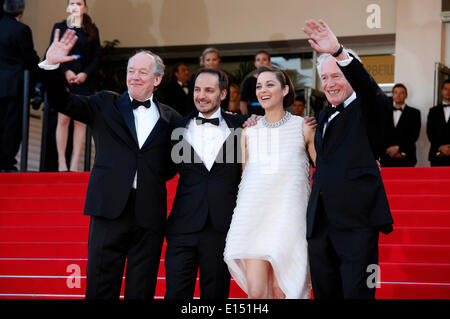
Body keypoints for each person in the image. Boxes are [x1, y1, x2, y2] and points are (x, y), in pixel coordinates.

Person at [40, 29, 181, 299]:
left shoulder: (172, 118)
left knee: (141, 290)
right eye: (131, 70)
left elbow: (173, 164)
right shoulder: (104, 103)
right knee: (101, 286)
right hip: (108, 209)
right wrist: (51, 65)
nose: (134, 76)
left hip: (149, 213)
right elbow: (63, 101)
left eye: (142, 72)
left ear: (157, 79)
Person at [302, 19, 393, 299]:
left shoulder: (368, 108)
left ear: (350, 77)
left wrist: (339, 52)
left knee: (359, 293)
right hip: (321, 223)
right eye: (325, 78)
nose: (329, 84)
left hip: (358, 222)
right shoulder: (323, 115)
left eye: (337, 76)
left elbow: (370, 90)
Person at [224, 66, 316, 299]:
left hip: (288, 218)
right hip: (253, 217)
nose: (263, 90)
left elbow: (324, 170)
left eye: (270, 85)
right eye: (258, 86)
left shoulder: (303, 127)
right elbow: (246, 179)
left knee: (281, 290)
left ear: (285, 90)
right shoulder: (249, 131)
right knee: (256, 294)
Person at [165, 68, 248, 299]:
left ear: (223, 94)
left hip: (221, 228)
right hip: (182, 227)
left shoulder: (242, 126)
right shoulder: (176, 128)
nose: (201, 95)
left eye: (209, 90)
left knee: (215, 296)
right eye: (197, 89)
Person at [49, 0, 100, 171]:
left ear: (85, 7)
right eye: (72, 3)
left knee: (80, 122)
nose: (75, 6)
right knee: (62, 120)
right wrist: (66, 72)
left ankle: (74, 164)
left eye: (79, 3)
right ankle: (62, 163)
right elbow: (52, 54)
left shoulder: (92, 29)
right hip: (64, 79)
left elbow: (96, 57)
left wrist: (84, 74)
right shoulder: (59, 27)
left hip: (84, 81)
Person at [0, 0, 40, 172]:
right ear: (21, 12)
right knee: (11, 125)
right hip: (14, 85)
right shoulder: (22, 30)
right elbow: (29, 58)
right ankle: (6, 162)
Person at [381, 83, 421, 167]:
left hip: (407, 156)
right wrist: (389, 150)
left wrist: (398, 148)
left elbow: (414, 135)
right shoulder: (383, 112)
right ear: (392, 95)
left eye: (401, 93)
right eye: (395, 92)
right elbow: (381, 133)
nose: (398, 95)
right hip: (386, 157)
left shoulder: (415, 113)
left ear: (406, 95)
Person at [187, 47, 230, 113]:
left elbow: (226, 99)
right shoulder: (195, 77)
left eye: (214, 59)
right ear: (203, 61)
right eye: (208, 60)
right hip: (198, 115)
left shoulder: (224, 76)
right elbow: (191, 98)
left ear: (219, 60)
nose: (211, 62)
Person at [240, 50, 272, 116]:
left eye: (264, 59)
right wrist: (245, 118)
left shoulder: (274, 79)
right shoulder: (249, 80)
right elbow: (243, 102)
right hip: (254, 114)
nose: (261, 62)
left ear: (269, 62)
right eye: (258, 60)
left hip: (271, 111)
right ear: (255, 63)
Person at [427, 79, 450, 166]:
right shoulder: (433, 111)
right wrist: (440, 146)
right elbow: (430, 132)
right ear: (441, 91)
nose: (448, 92)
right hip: (436, 154)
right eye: (445, 89)